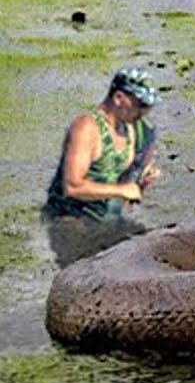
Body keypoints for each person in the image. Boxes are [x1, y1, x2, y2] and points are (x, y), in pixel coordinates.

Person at [44, 67, 161, 266]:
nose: (144, 112)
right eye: (140, 105)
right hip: (71, 219)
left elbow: (126, 192)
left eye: (148, 106)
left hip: (107, 219)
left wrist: (140, 184)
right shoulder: (86, 128)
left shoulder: (138, 131)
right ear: (118, 98)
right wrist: (122, 190)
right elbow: (73, 187)